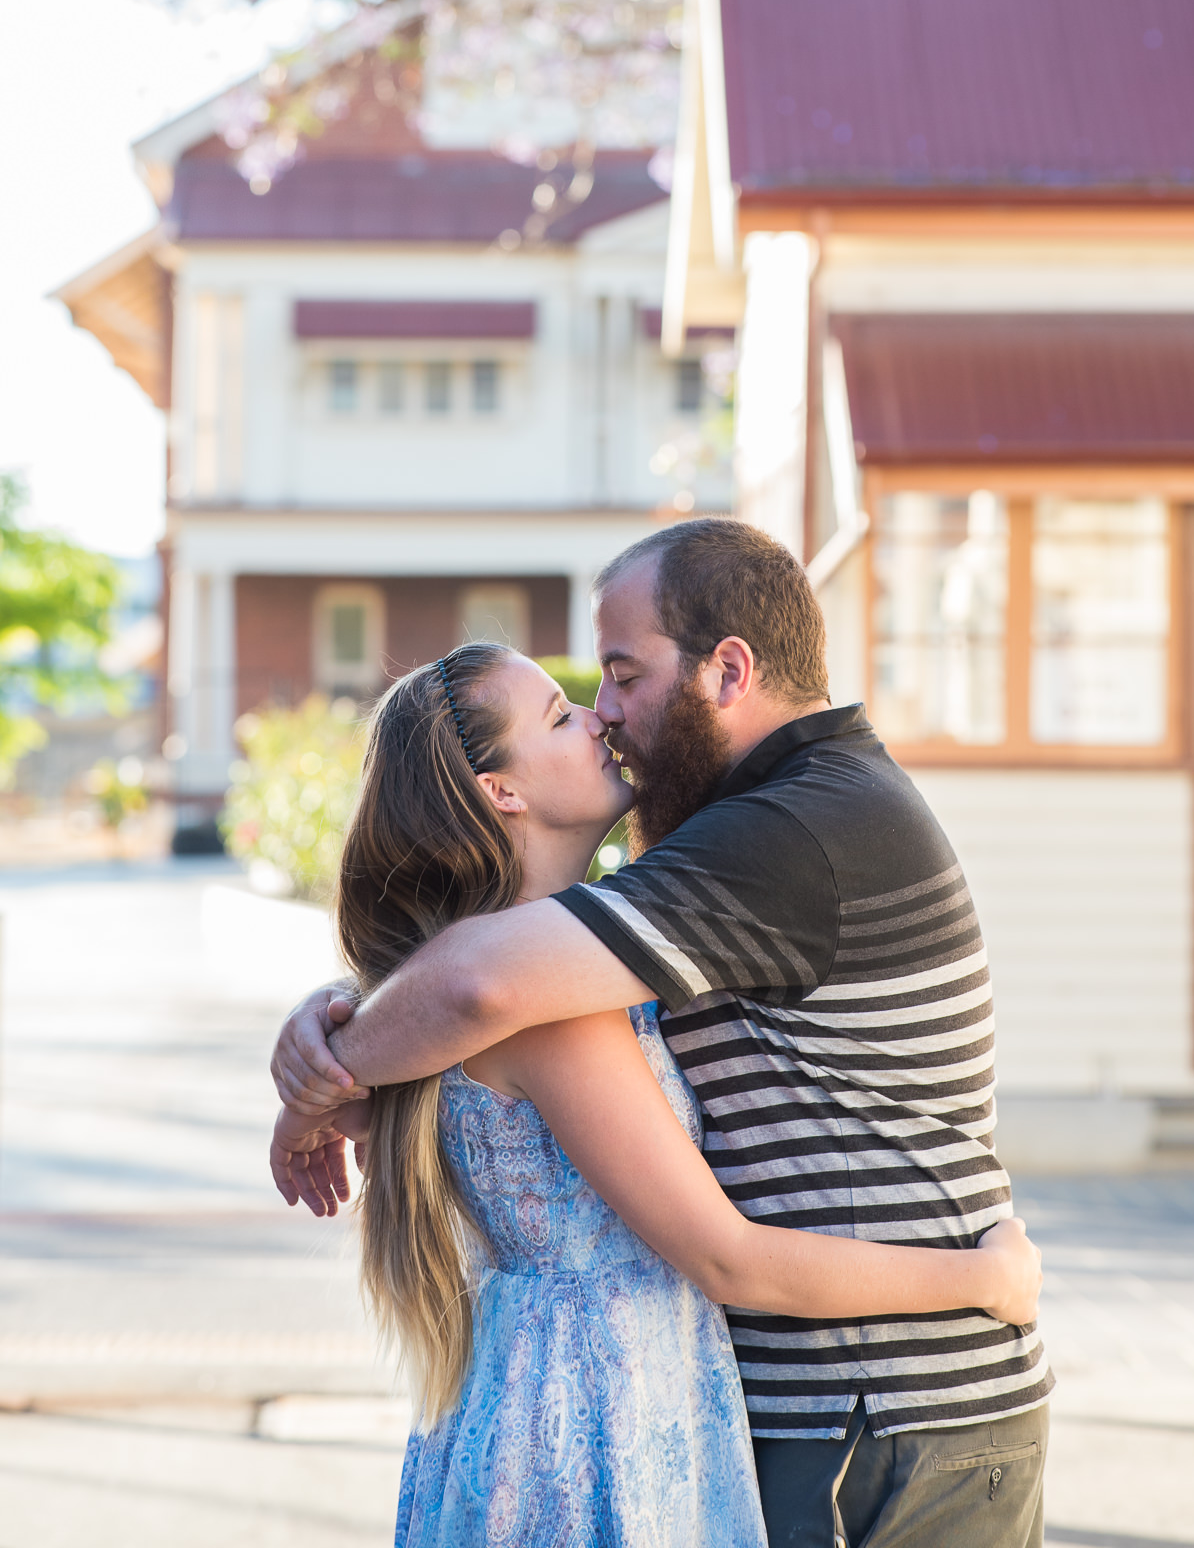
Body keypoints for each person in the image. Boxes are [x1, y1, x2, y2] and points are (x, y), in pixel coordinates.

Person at [275, 520, 1054, 1548]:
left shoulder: (785, 827)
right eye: (572, 704)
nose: (604, 715)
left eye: (620, 675)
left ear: (726, 669)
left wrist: (326, 1065)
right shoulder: (617, 926)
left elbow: (470, 980)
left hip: (885, 1410)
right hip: (744, 1412)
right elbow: (471, 982)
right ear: (499, 789)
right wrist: (331, 1052)